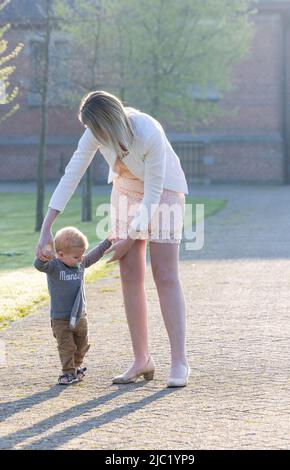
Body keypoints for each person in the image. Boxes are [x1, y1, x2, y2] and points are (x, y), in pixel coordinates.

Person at [35, 90, 190, 387]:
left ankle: (180, 361)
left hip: (163, 191)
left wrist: (131, 238)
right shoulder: (94, 132)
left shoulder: (148, 131)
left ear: (109, 122)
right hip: (125, 189)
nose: (92, 136)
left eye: (96, 130)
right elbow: (72, 174)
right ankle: (141, 358)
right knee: (129, 273)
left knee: (166, 275)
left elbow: (153, 194)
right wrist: (46, 228)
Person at [34, 226, 112, 385]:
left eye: (82, 255)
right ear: (61, 254)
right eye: (77, 256)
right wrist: (45, 253)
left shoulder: (80, 263)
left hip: (80, 315)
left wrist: (108, 241)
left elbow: (94, 256)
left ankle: (76, 366)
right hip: (60, 318)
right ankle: (68, 372)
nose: (81, 259)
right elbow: (39, 265)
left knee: (82, 344)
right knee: (67, 346)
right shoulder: (54, 266)